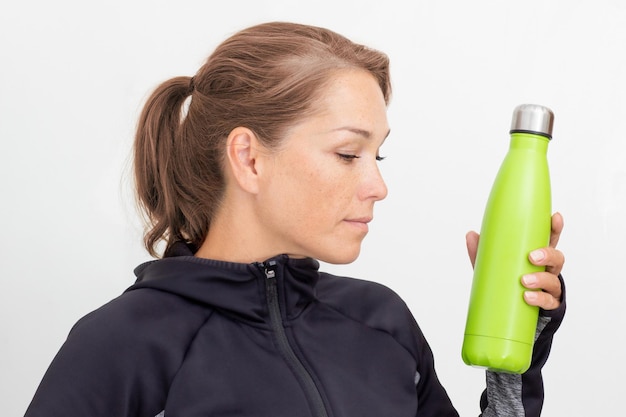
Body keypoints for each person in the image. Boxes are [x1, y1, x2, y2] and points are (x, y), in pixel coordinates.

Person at [25, 21, 566, 417]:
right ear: (249, 158)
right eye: (348, 154)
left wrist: (514, 362)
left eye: (378, 156)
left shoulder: (382, 322)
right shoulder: (123, 344)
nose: (378, 186)